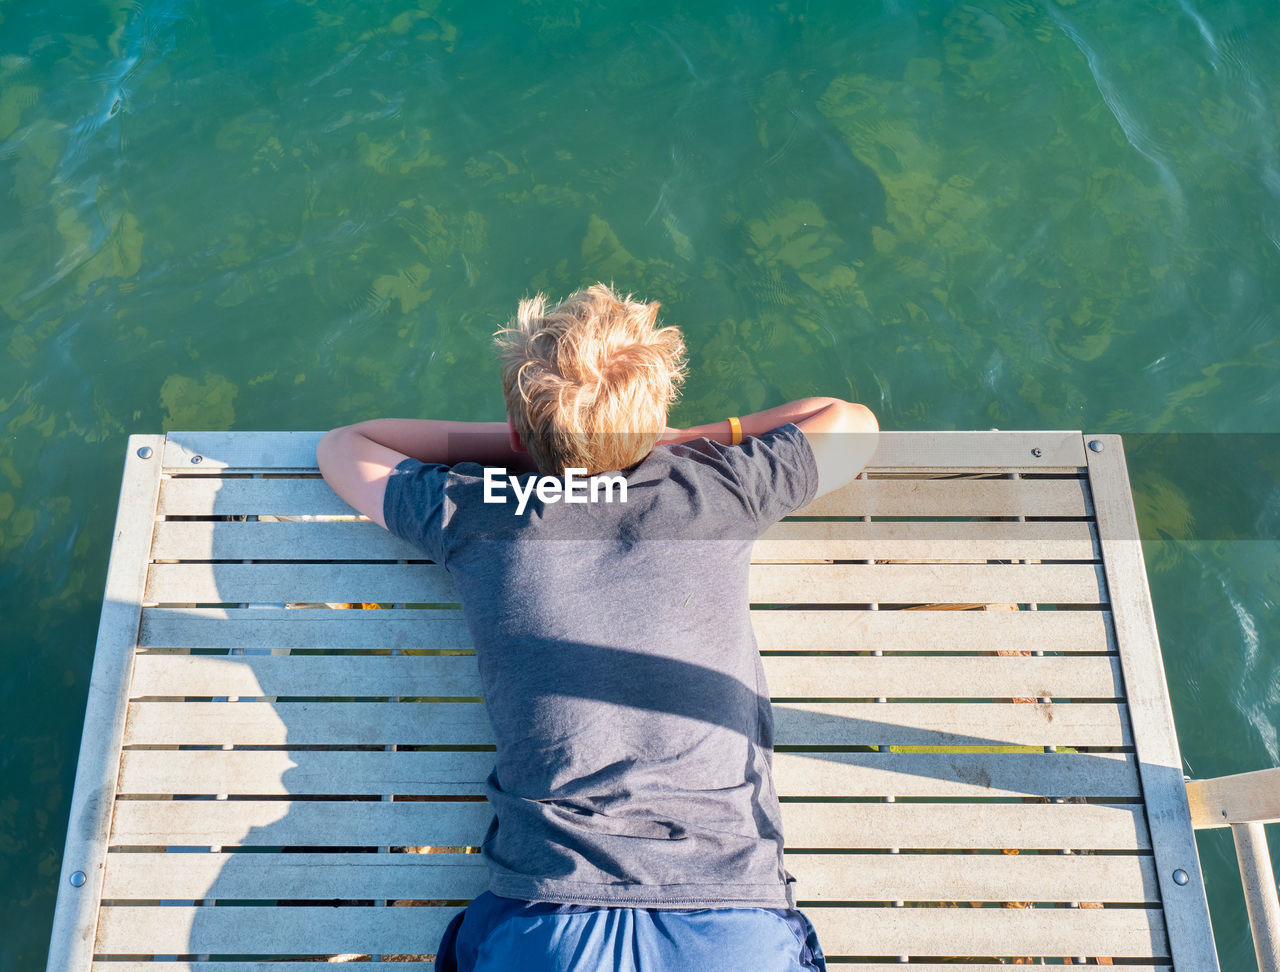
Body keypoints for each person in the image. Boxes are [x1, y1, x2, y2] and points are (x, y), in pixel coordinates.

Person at [316, 283, 879, 971]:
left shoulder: (483, 509)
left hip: (548, 918)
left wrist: (536, 448)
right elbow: (850, 423)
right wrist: (659, 444)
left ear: (524, 432)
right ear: (656, 410)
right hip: (730, 913)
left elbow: (347, 446)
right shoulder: (716, 487)